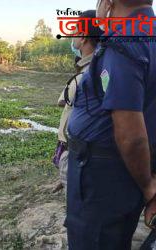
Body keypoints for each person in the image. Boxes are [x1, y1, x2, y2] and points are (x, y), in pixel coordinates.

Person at [65, 0, 156, 249]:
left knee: (95, 241)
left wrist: (149, 187)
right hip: (119, 173)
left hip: (103, 178)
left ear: (109, 2)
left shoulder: (123, 41)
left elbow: (131, 135)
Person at [53, 10, 103, 192]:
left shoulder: (89, 74)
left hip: (79, 155)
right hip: (76, 155)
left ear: (83, 37)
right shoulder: (91, 68)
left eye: (74, 30)